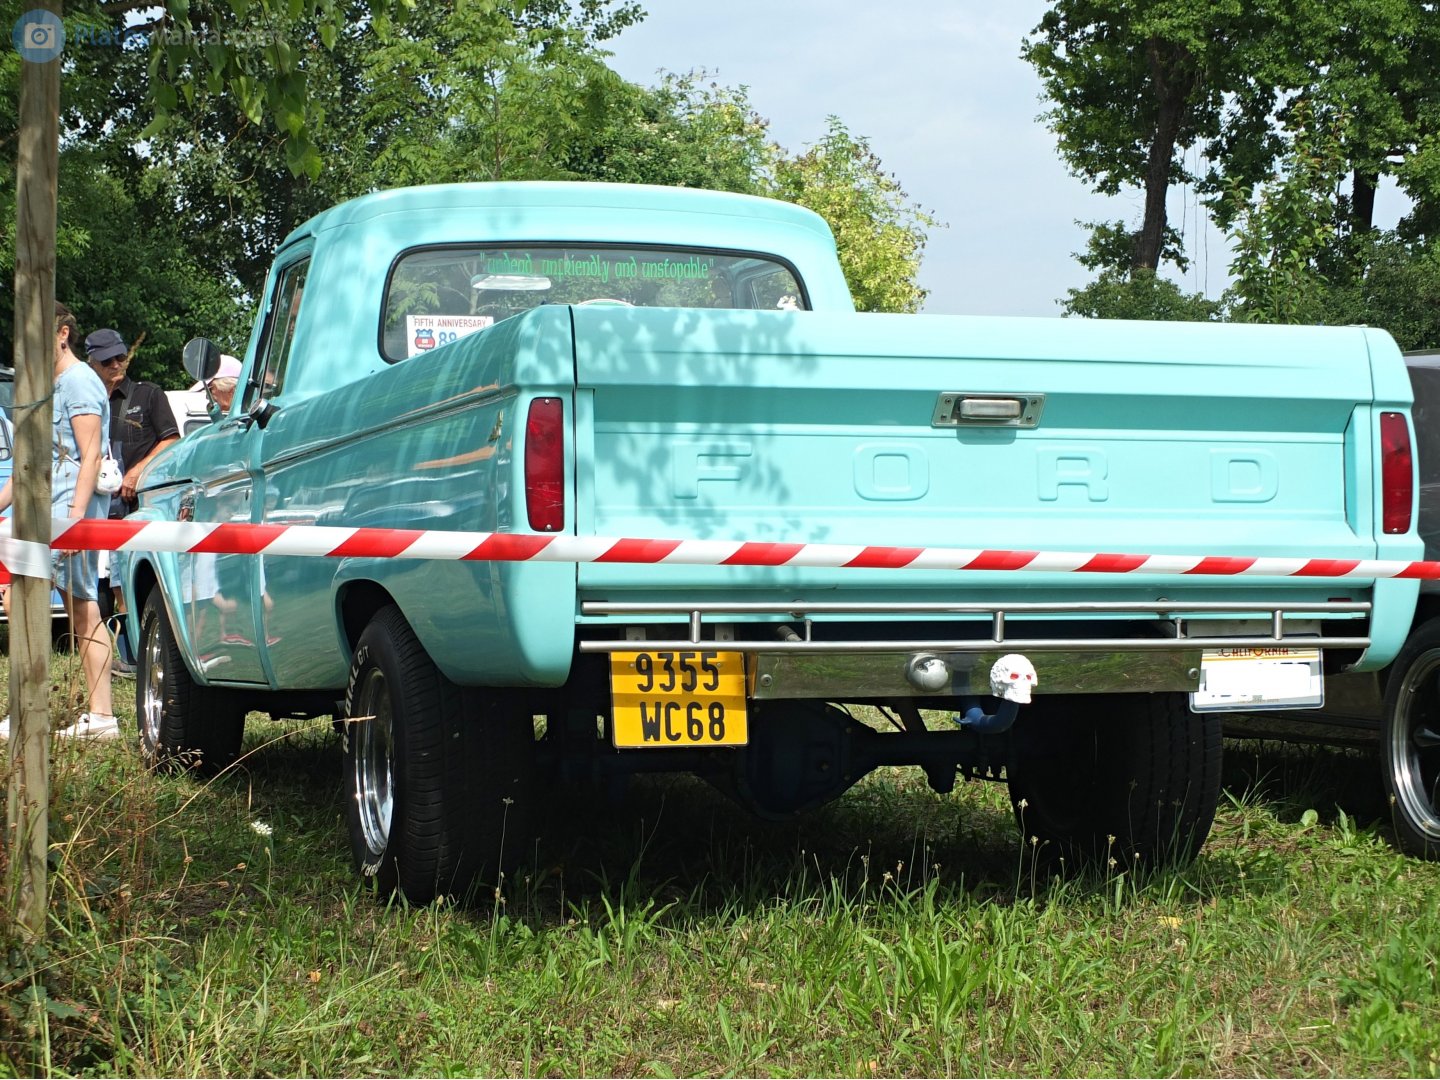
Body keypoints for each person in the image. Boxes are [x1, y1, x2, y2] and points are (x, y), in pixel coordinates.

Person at [0, 302, 116, 738]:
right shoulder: (49, 386)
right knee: (56, 605)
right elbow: (28, 468)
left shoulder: (80, 381)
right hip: (43, 513)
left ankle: (85, 715)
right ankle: (88, 716)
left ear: (62, 333)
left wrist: (75, 521)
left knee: (71, 607)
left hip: (66, 512)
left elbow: (90, 455)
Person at [84, 327, 180, 674]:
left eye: (120, 357)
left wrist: (137, 471)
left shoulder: (148, 394)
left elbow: (172, 439)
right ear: (91, 363)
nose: (116, 364)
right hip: (96, 506)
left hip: (139, 507)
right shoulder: (87, 401)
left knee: (128, 582)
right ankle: (115, 656)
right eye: (107, 359)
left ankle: (136, 657)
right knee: (99, 586)